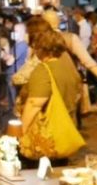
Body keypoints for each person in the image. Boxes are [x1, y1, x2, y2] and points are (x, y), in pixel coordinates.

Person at [19, 29, 82, 165]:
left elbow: (34, 104)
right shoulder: (69, 68)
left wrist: (20, 132)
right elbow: (78, 94)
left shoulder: (43, 70)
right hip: (66, 130)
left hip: (47, 136)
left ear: (42, 49)